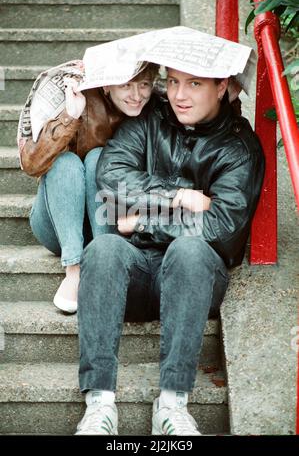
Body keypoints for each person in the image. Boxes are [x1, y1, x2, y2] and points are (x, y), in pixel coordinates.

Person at [75, 66, 265, 435]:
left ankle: (172, 405)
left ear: (221, 86)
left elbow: (222, 229)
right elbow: (111, 176)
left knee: (190, 250)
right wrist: (178, 195)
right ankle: (99, 406)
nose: (180, 95)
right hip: (136, 267)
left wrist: (144, 220)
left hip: (193, 277)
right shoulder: (149, 119)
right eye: (174, 82)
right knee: (104, 248)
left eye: (194, 84)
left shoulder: (239, 147)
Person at [20, 62, 159, 313]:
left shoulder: (157, 109)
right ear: (107, 85)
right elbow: (32, 164)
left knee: (100, 159)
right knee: (66, 162)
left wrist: (229, 100)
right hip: (57, 220)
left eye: (144, 85)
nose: (136, 95)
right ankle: (73, 271)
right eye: (126, 85)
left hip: (110, 223)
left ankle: (102, 263)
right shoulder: (77, 99)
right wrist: (69, 117)